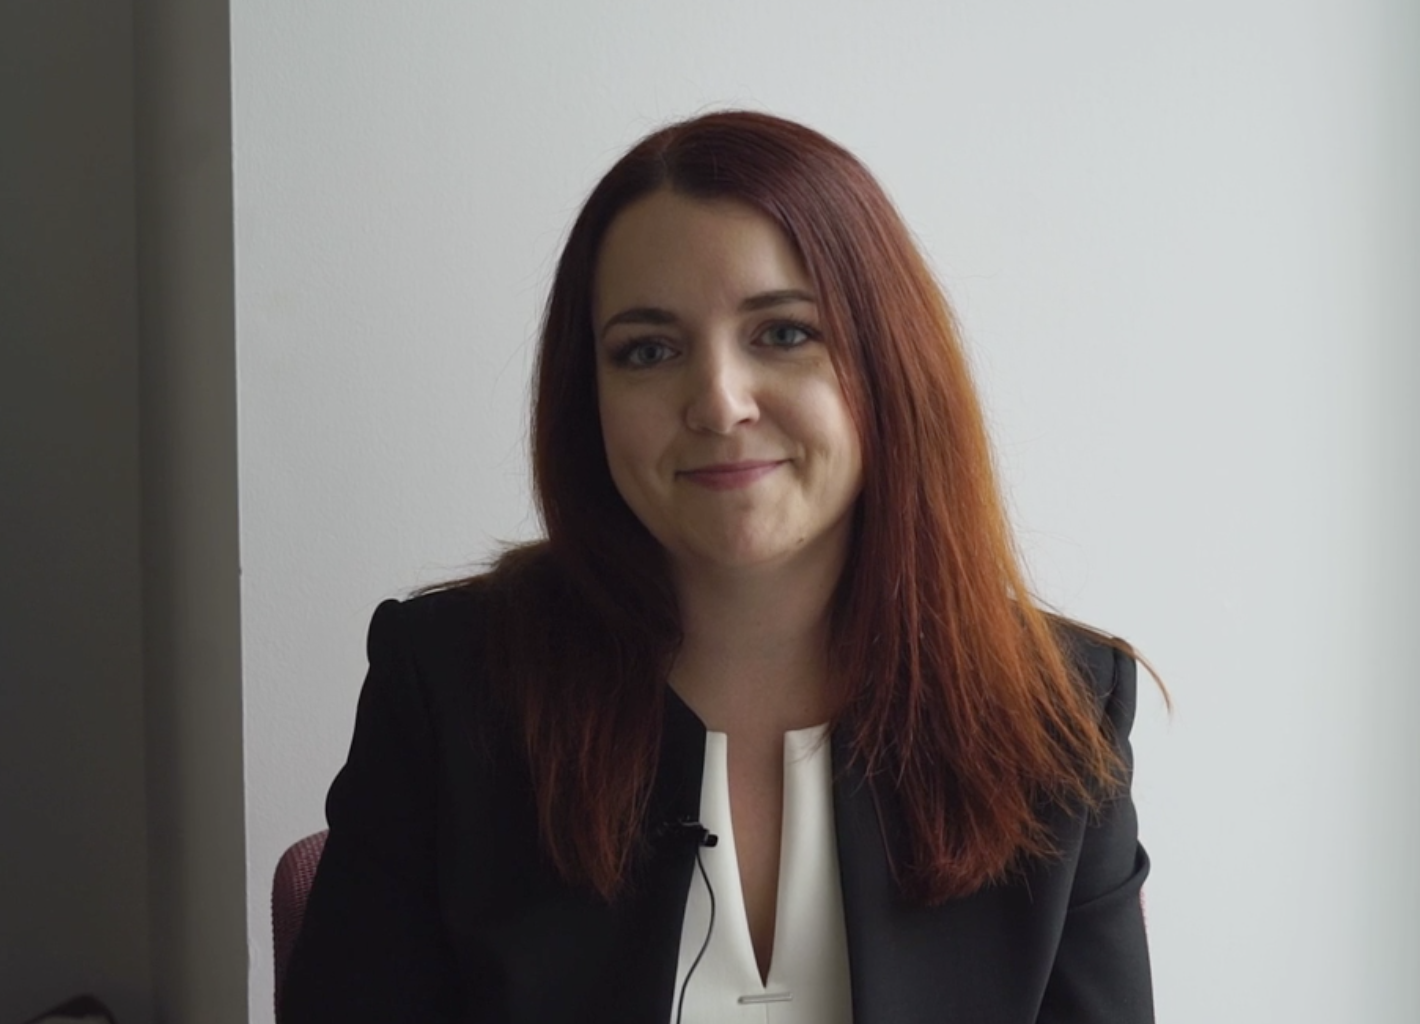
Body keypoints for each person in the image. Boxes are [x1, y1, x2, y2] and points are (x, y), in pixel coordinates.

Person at [282, 110, 1152, 1024]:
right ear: (589, 400)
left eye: (783, 333)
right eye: (649, 350)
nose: (719, 402)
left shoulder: (1057, 712)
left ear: (891, 364)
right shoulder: (447, 687)